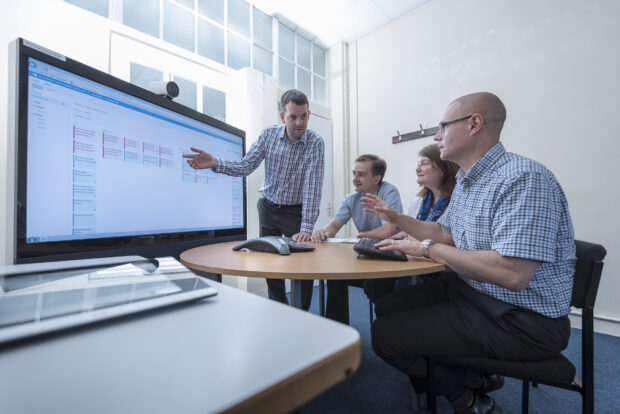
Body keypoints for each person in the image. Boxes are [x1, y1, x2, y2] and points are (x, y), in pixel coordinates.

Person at [362, 92, 575, 414]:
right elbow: (443, 232)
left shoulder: (523, 178)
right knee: (387, 305)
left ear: (474, 123)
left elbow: (513, 274)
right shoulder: (466, 181)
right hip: (476, 293)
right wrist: (396, 218)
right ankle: (474, 375)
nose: (436, 136)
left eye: (443, 126)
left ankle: (467, 395)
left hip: (522, 320)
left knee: (385, 337)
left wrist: (425, 249)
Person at [184, 89, 324, 311]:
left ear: (308, 114)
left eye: (304, 116)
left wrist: (307, 225)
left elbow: (312, 186)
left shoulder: (315, 143)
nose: (299, 122)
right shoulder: (268, 136)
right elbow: (245, 166)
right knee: (271, 264)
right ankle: (280, 310)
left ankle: (302, 312)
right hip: (268, 208)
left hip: (296, 211)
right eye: (293, 117)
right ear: (282, 117)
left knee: (304, 265)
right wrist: (215, 163)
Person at [311, 154, 402, 324]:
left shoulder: (389, 192)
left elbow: (388, 230)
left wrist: (361, 236)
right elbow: (333, 227)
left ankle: (388, 326)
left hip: (389, 260)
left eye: (361, 174)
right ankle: (337, 327)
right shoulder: (351, 199)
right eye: (354, 173)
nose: (355, 179)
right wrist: (322, 233)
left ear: (377, 178)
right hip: (365, 257)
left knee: (374, 284)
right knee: (335, 275)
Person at [389, 143, 459, 291]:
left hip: (445, 269)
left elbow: (453, 240)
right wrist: (398, 238)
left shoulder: (456, 201)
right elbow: (409, 234)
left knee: (396, 296)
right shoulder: (419, 201)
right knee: (375, 285)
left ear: (443, 169)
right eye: (417, 164)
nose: (417, 169)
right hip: (416, 261)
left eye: (424, 163)